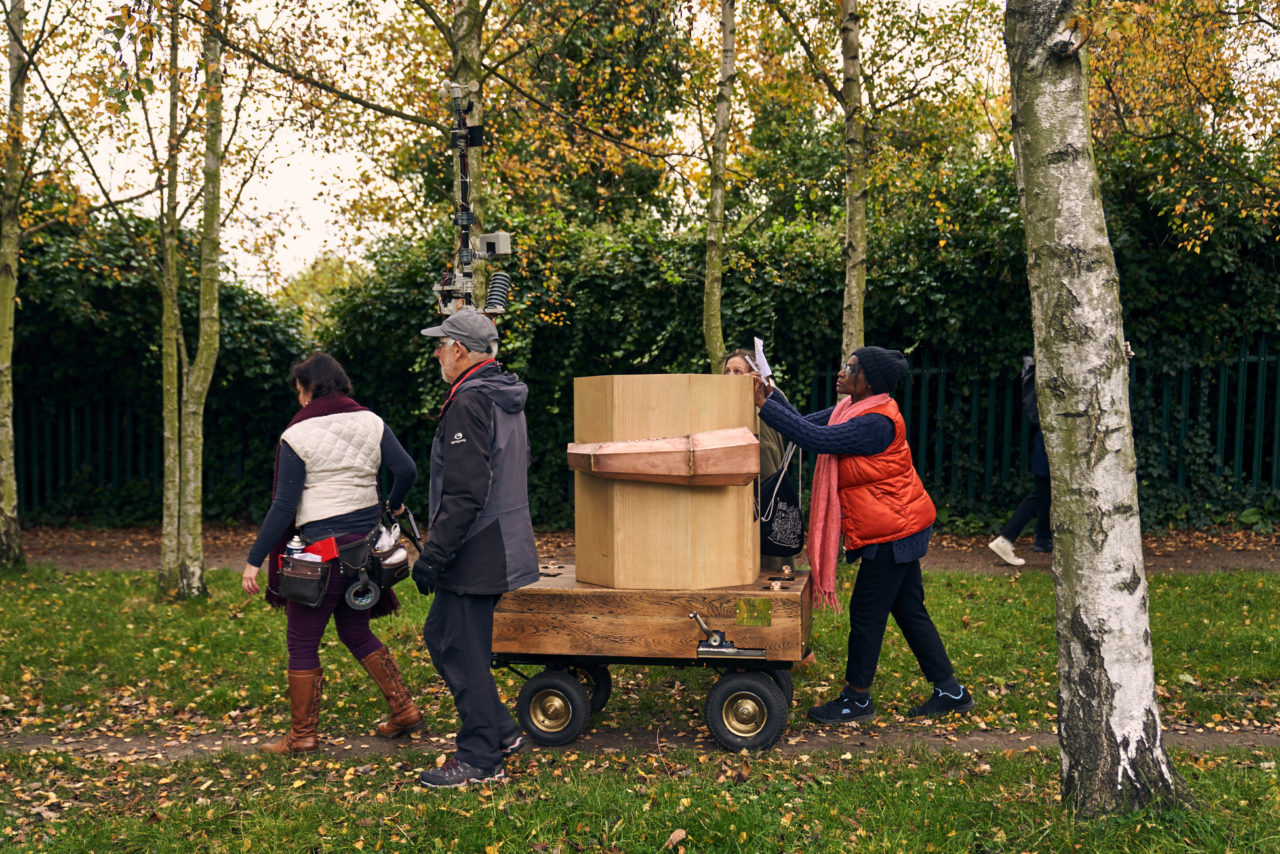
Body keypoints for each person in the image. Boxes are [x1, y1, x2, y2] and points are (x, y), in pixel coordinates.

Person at [752, 346, 974, 723]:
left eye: (850, 368)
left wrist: (766, 405)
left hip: (893, 531)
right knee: (909, 610)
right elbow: (807, 424)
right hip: (898, 525)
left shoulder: (876, 422)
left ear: (868, 380)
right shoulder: (850, 410)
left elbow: (815, 440)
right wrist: (770, 398)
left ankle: (857, 699)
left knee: (867, 613)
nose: (841, 372)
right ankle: (950, 691)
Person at [242, 352, 421, 754]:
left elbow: (284, 506)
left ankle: (302, 735)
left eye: (299, 390)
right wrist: (392, 506)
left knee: (302, 641)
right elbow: (406, 469)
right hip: (365, 554)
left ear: (307, 390)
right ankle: (404, 708)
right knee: (356, 630)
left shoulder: (297, 435)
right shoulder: (370, 421)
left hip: (320, 558)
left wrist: (255, 559)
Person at [413, 310, 539, 788]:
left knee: (462, 649)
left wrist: (434, 556)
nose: (437, 353)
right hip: (494, 540)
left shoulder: (470, 402)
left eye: (441, 345)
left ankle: (481, 755)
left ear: (460, 351)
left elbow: (465, 491)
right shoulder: (501, 395)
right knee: (444, 637)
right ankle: (502, 731)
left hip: (476, 546)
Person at [724, 349, 789, 575]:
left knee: (766, 537)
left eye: (737, 371)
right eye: (727, 371)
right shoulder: (730, 400)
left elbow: (769, 453)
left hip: (764, 486)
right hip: (744, 486)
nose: (731, 377)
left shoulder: (761, 400)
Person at [988, 357, 1051, 566]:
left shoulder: (1041, 365)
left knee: (1047, 491)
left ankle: (1043, 539)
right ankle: (1005, 539)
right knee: (1042, 492)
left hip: (1048, 437)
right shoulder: (1051, 367)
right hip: (1053, 439)